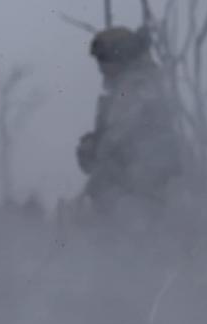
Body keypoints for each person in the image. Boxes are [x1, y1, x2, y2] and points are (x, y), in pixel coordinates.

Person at [76, 26, 181, 219]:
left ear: (119, 57)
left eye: (103, 59)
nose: (101, 67)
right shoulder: (130, 86)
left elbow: (117, 140)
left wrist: (94, 148)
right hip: (136, 187)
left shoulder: (137, 86)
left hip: (143, 191)